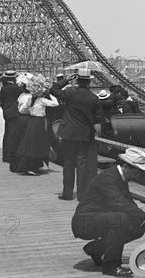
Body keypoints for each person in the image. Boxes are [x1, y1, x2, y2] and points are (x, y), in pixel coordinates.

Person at [72, 148, 145, 277]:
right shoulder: (108, 178)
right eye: (137, 171)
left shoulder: (119, 178)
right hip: (84, 222)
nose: (137, 176)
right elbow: (118, 203)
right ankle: (111, 266)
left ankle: (96, 249)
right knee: (121, 219)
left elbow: (129, 203)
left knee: (136, 227)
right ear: (125, 167)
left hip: (98, 219)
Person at [50, 69, 106, 201]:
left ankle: (67, 194)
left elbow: (53, 90)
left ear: (78, 80)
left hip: (68, 133)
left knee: (68, 163)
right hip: (84, 135)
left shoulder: (70, 92)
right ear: (89, 82)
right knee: (82, 166)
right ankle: (82, 195)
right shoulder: (93, 98)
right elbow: (99, 118)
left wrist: (66, 80)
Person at [15, 74, 58, 175]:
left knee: (30, 145)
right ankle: (35, 166)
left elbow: (21, 110)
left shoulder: (30, 99)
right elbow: (56, 103)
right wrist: (50, 94)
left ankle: (29, 166)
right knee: (39, 144)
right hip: (40, 122)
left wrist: (29, 111)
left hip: (32, 122)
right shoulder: (42, 101)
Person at [0, 70, 23, 163]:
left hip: (7, 111)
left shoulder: (4, 88)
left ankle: (6, 155)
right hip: (14, 112)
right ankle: (11, 155)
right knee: (13, 135)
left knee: (7, 133)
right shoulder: (15, 88)